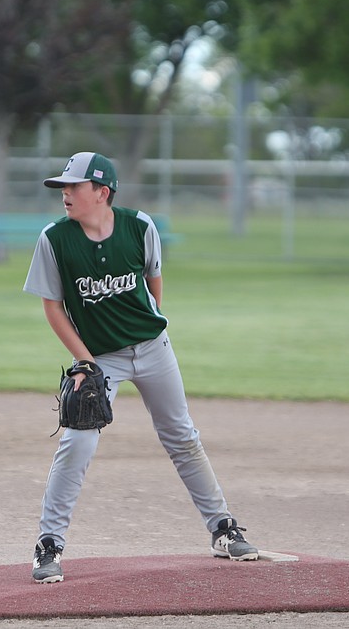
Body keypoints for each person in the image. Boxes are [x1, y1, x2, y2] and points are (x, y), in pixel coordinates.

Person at [22, 151, 258, 584]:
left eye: (74, 186)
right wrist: (86, 361)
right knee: (76, 444)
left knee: (182, 435)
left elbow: (154, 284)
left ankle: (222, 528)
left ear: (102, 192)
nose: (65, 194)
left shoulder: (139, 227)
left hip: (153, 348)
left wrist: (146, 336)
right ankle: (48, 545)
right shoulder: (54, 239)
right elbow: (53, 308)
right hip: (99, 358)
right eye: (63, 187)